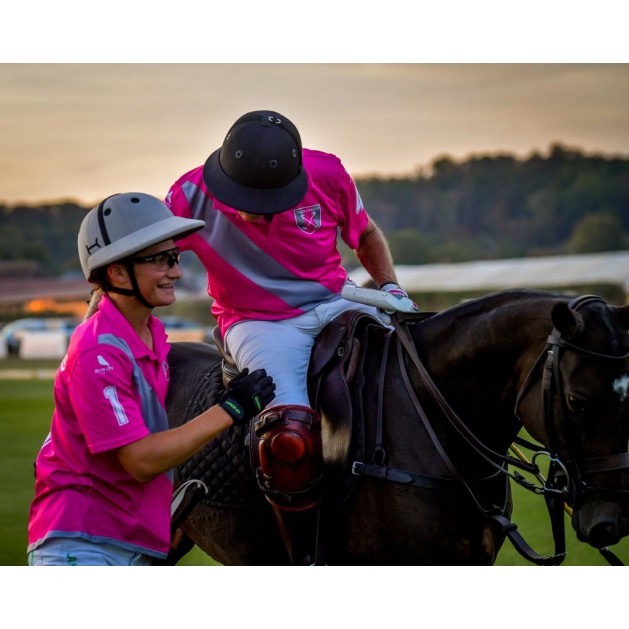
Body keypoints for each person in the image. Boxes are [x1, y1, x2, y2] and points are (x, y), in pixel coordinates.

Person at [164, 110, 416, 562]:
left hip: (335, 299)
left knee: (415, 364)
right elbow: (148, 257)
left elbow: (366, 233)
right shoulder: (186, 195)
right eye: (241, 199)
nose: (251, 213)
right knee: (288, 435)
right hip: (256, 321)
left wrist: (389, 286)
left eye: (266, 202)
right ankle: (306, 554)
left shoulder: (329, 173)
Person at [27, 192, 276, 566]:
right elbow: (140, 459)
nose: (175, 271)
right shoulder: (99, 351)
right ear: (116, 272)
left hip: (128, 543)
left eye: (174, 257)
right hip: (82, 547)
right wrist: (231, 408)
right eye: (161, 260)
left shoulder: (150, 337)